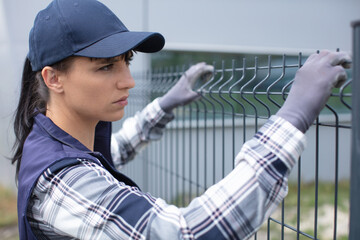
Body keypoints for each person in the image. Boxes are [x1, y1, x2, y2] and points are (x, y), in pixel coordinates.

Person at [11, 0, 351, 239]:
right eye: (105, 66)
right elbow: (187, 233)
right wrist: (292, 118)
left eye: (126, 61)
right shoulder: (62, 181)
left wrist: (164, 106)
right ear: (54, 78)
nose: (127, 80)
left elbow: (111, 152)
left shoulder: (51, 138)